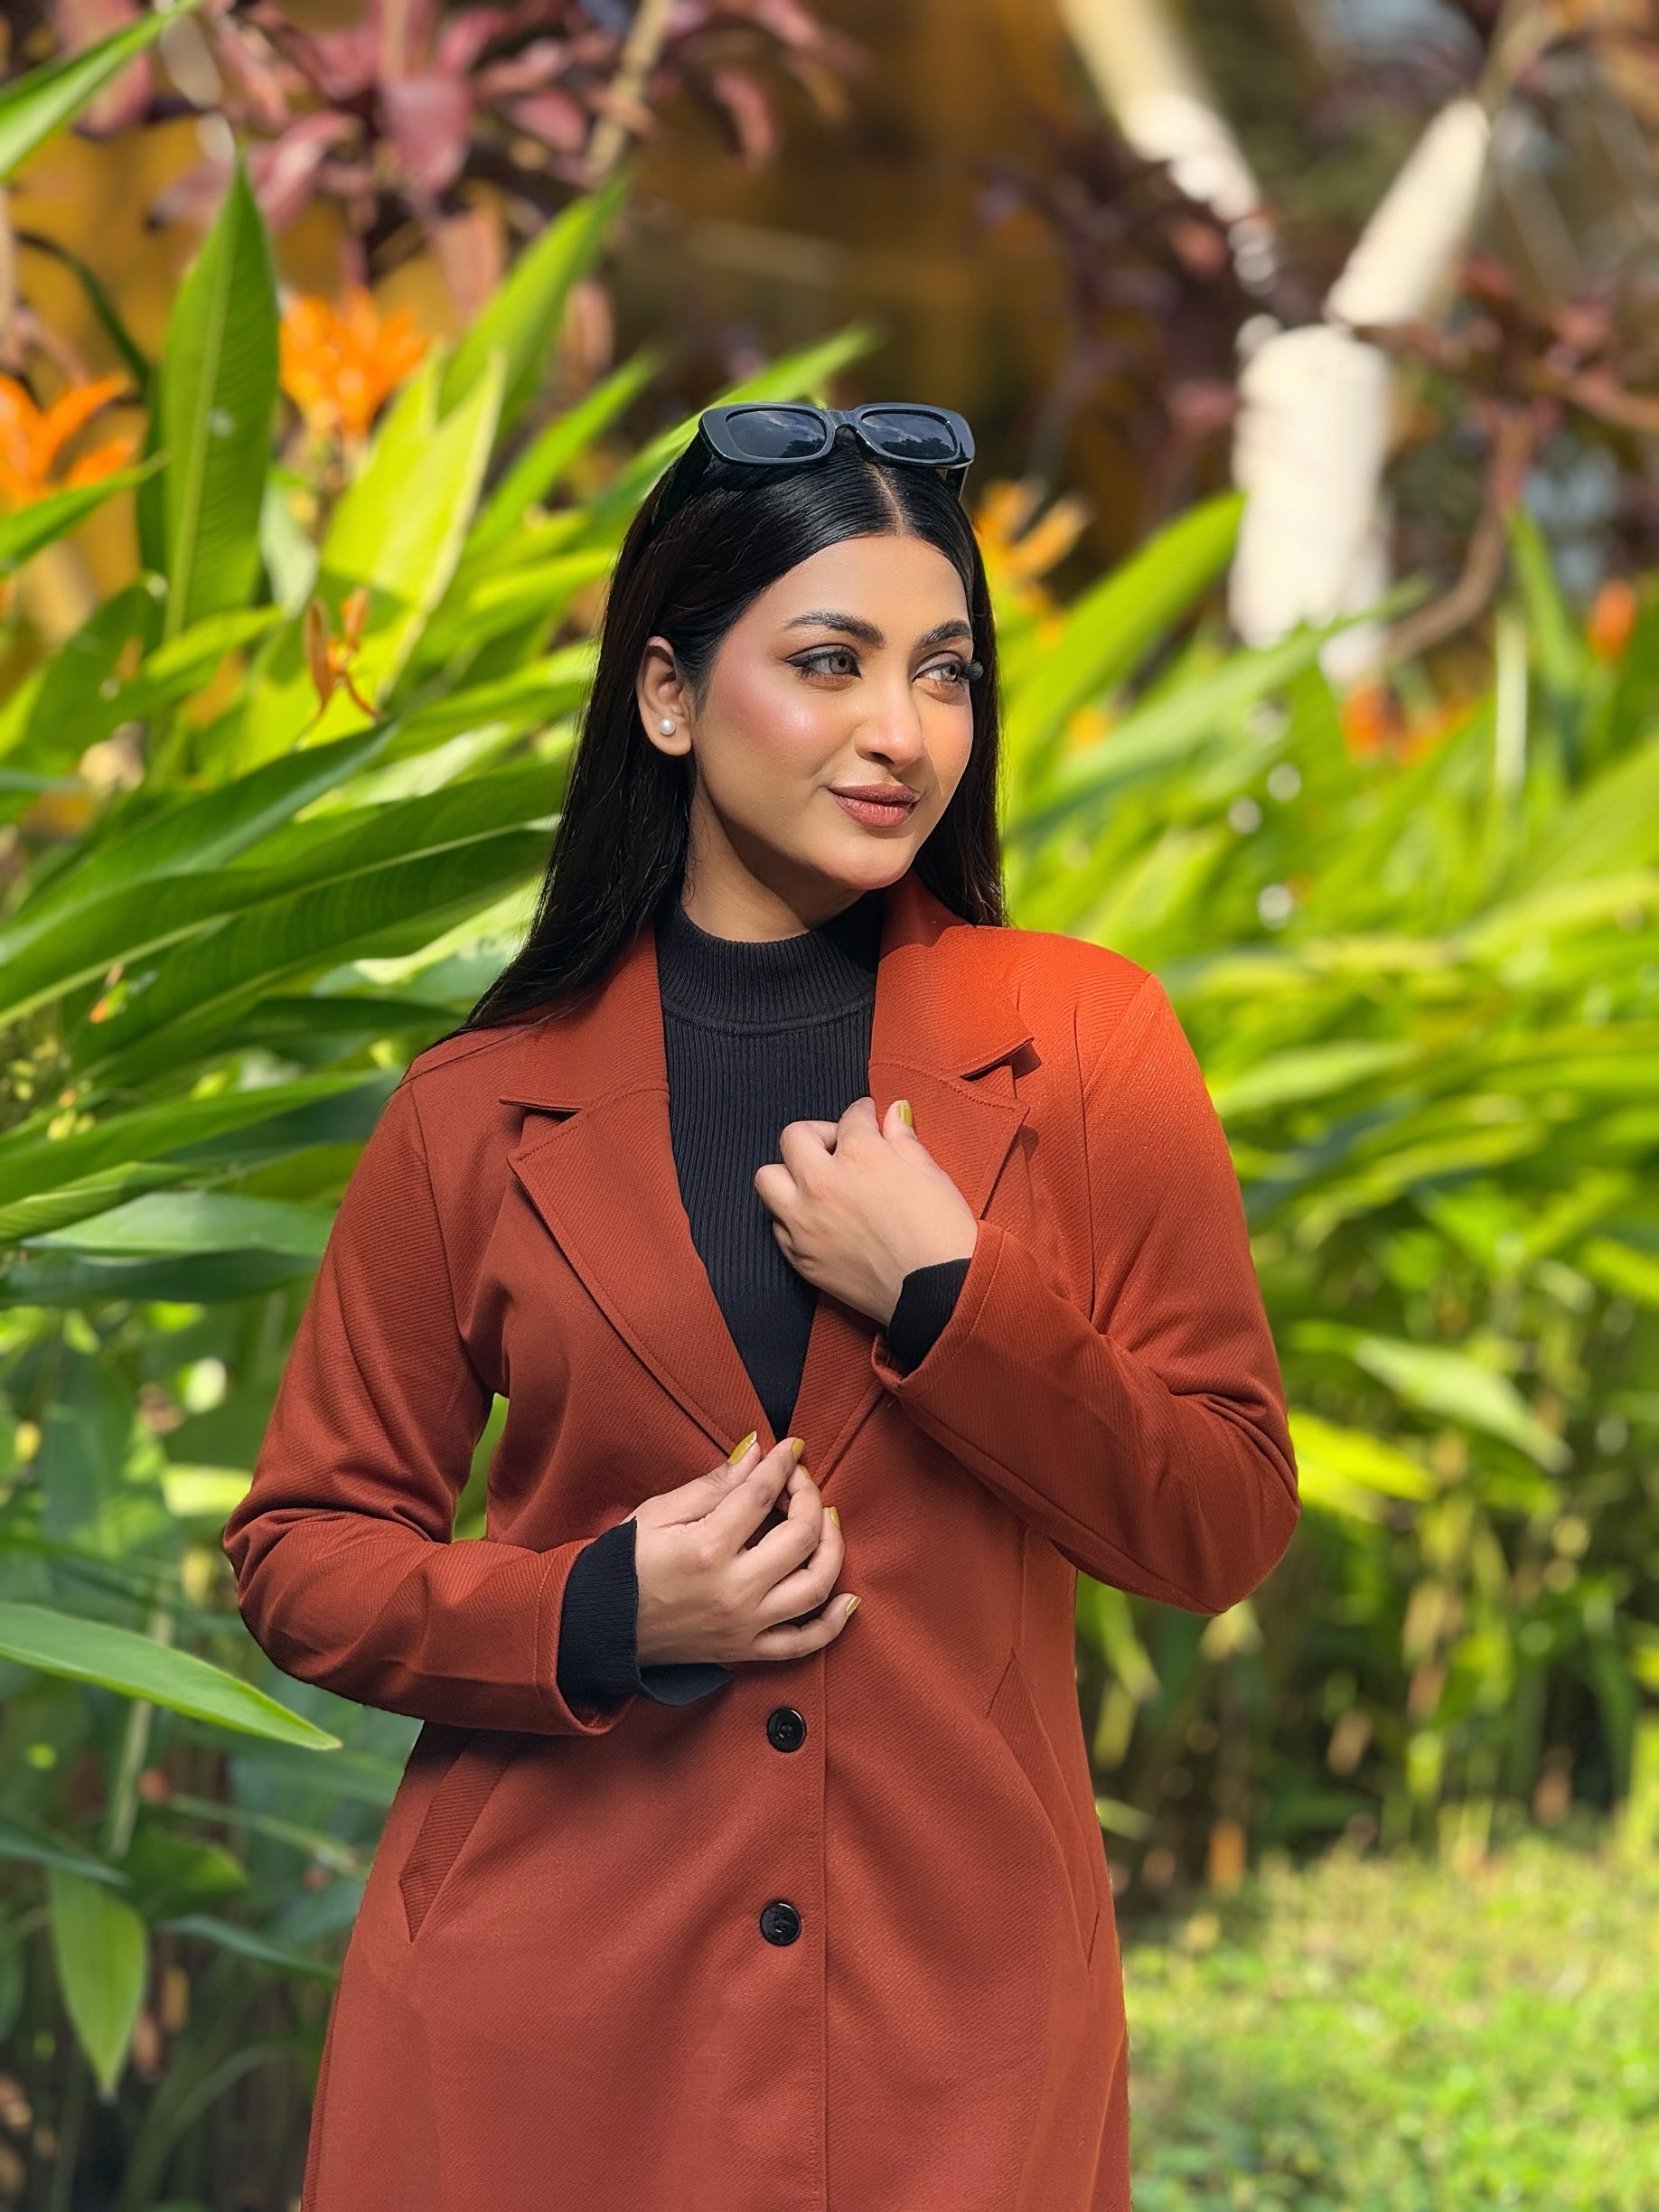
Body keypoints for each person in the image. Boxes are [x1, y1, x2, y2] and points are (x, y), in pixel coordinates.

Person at [222, 399, 1300, 2212]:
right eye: (830, 662)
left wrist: (953, 1297)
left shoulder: (1089, 1048)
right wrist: (594, 1610)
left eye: (943, 673)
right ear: (668, 694)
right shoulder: (474, 1109)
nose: (902, 731)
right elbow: (303, 1549)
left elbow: (1220, 1518)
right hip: (537, 2026)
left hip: (957, 2035)